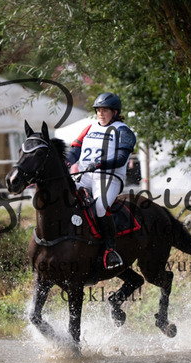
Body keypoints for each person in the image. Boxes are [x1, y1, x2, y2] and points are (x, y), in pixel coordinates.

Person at [65, 92, 137, 270]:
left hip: (109, 178)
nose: (101, 114)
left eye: (105, 110)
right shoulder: (89, 128)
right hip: (85, 175)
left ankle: (110, 250)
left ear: (115, 112)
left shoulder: (124, 131)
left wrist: (99, 164)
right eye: (98, 110)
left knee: (100, 207)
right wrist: (65, 162)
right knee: (63, 197)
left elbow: (121, 158)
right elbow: (74, 151)